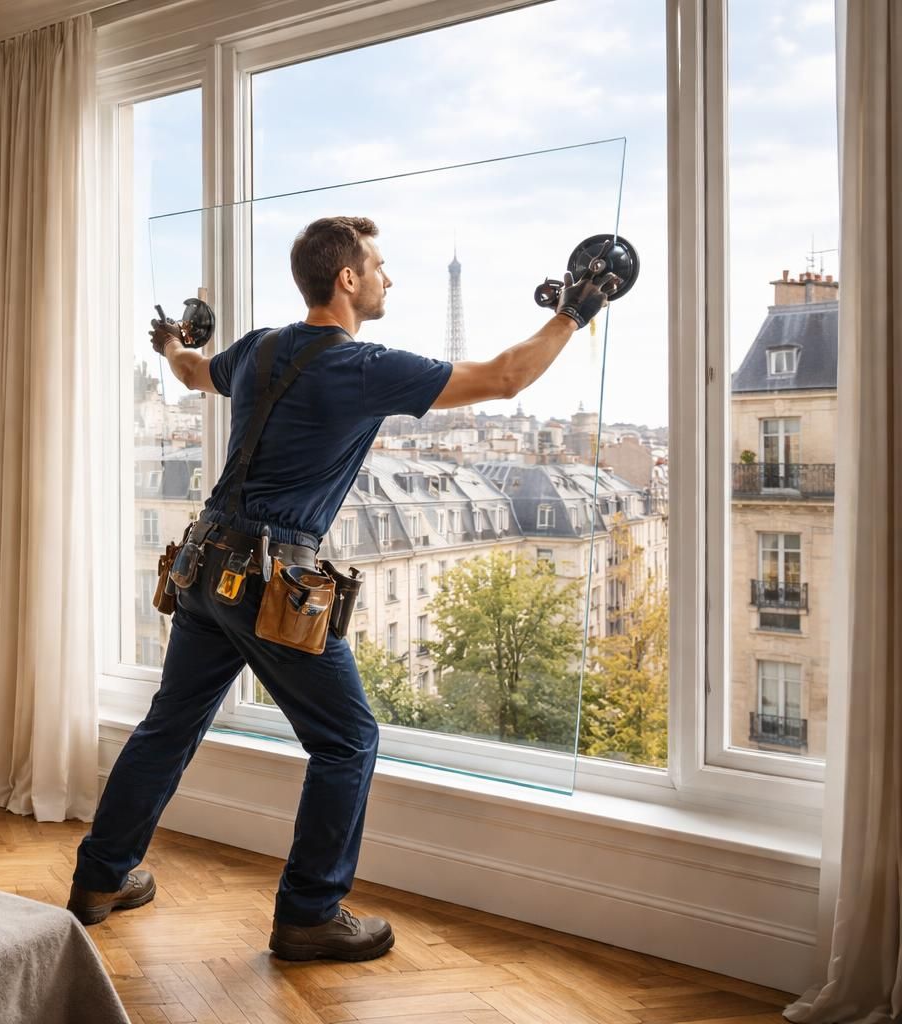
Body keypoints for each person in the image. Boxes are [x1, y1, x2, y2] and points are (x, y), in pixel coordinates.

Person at [66, 215, 616, 962]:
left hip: (201, 565)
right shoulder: (361, 366)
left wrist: (173, 339)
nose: (389, 278)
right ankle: (309, 912)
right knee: (348, 739)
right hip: (267, 579)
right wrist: (574, 313)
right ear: (348, 279)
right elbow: (505, 377)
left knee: (168, 725)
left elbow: (192, 373)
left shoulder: (260, 347)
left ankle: (101, 878)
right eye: (380, 266)